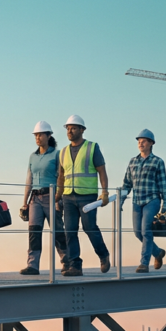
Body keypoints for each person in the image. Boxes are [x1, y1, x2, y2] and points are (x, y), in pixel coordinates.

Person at [55, 114, 111, 277]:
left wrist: (105, 191)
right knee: (70, 231)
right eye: (68, 128)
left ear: (82, 130)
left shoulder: (92, 147)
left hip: (87, 196)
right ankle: (75, 265)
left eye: (73, 128)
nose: (69, 131)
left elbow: (102, 171)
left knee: (89, 228)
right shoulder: (63, 152)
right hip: (68, 197)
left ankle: (103, 255)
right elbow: (61, 176)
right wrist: (58, 195)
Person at [19, 121, 67, 275]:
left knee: (58, 231)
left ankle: (66, 261)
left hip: (51, 197)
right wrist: (24, 203)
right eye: (36, 135)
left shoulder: (57, 154)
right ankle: (32, 265)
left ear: (49, 136)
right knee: (33, 231)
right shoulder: (32, 157)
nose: (37, 138)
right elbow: (29, 179)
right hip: (35, 198)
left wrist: (59, 199)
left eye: (40, 135)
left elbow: (61, 177)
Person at [121, 129, 166, 273]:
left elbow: (163, 184)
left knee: (146, 230)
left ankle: (144, 263)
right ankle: (158, 252)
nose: (140, 143)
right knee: (138, 232)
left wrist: (165, 204)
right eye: (139, 141)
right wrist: (121, 200)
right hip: (137, 201)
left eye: (144, 141)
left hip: (152, 200)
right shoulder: (133, 161)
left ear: (151, 143)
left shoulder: (158, 162)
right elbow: (127, 184)